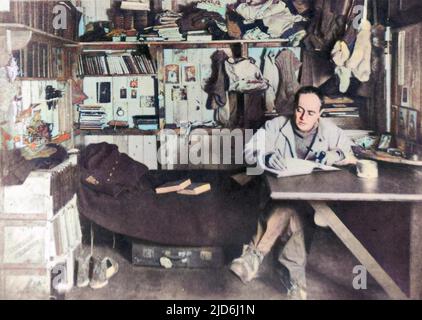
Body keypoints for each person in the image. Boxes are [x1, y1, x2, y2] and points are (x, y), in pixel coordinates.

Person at [230, 86, 355, 300]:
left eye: (311, 112)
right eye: (299, 110)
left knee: (291, 211)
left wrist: (335, 155)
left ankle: (254, 255)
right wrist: (266, 157)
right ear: (294, 108)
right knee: (290, 211)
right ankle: (297, 285)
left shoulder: (330, 130)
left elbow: (350, 154)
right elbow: (249, 152)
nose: (303, 117)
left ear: (320, 114)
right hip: (277, 196)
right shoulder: (276, 125)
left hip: (313, 200)